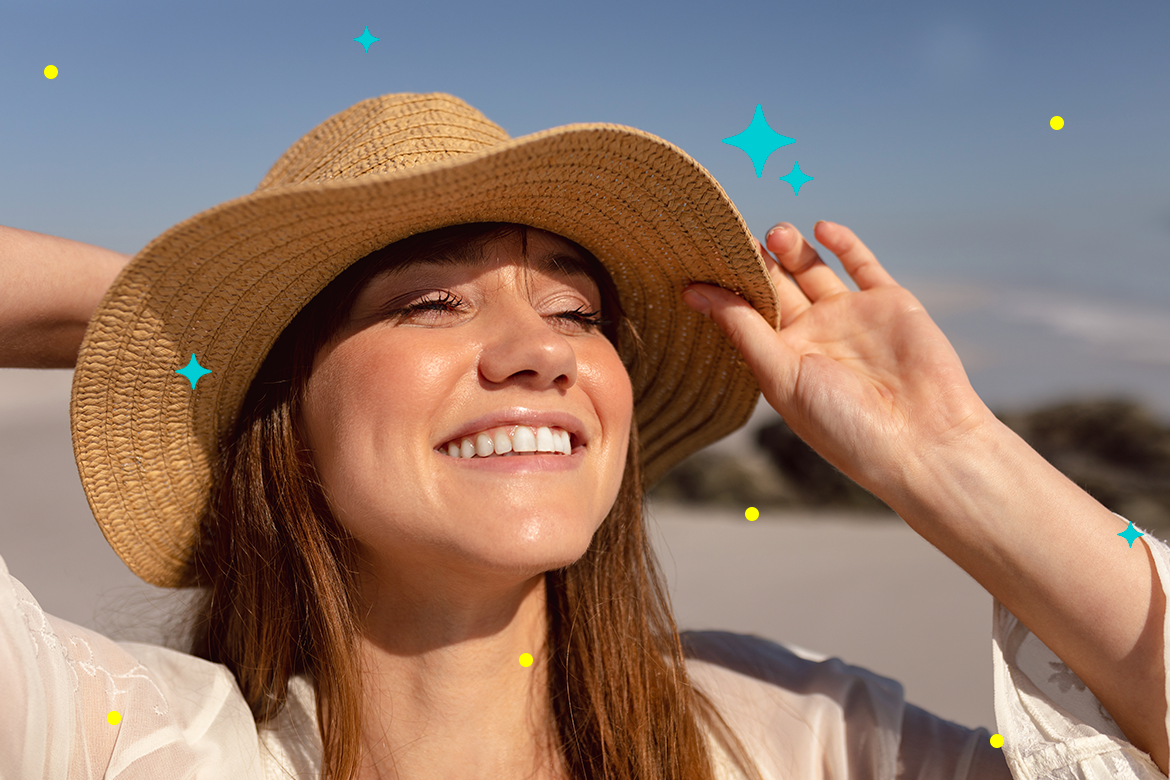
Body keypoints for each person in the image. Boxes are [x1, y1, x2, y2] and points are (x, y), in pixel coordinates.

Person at [0, 92, 1165, 780]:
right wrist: (170, 324)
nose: (543, 351)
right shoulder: (118, 740)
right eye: (430, 303)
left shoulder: (794, 741)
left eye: (578, 312)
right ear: (286, 413)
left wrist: (955, 458)